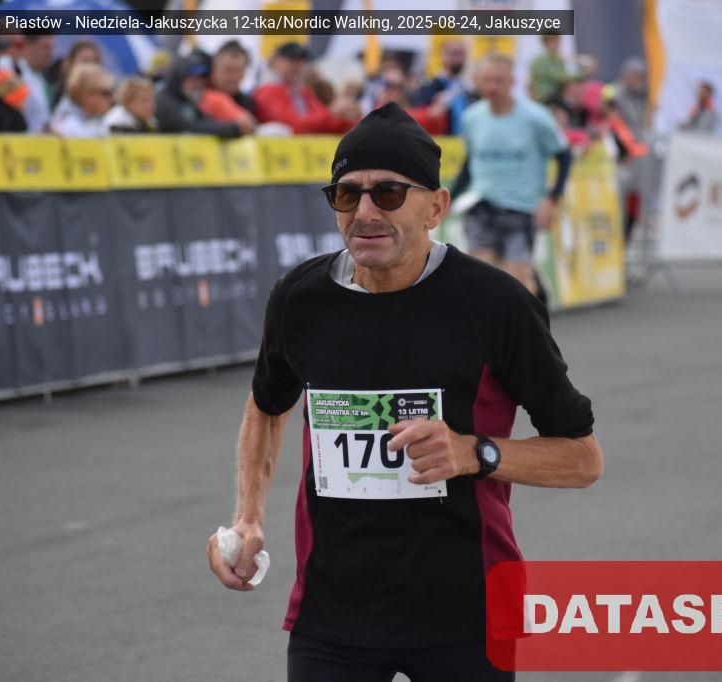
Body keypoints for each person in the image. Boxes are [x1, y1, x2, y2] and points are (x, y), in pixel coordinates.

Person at [206, 102, 602, 682]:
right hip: (332, 614)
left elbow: (583, 459)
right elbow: (267, 405)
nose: (365, 212)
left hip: (467, 611)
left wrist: (473, 452)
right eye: (347, 194)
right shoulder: (300, 298)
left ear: (436, 207)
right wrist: (247, 518)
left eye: (389, 193)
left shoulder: (496, 305)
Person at [451, 54, 572, 296]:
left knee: (517, 285)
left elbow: (564, 155)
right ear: (478, 81)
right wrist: (450, 196)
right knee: (480, 280)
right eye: (487, 81)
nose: (492, 87)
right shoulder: (472, 117)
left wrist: (552, 199)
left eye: (499, 81)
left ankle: (533, 309)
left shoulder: (536, 117)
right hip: (481, 206)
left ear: (512, 82)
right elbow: (470, 162)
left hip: (521, 209)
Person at [253, 42, 360, 134]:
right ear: (275, 61)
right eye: (292, 59)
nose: (298, 65)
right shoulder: (267, 90)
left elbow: (323, 123)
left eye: (302, 60)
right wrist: (333, 113)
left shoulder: (303, 92)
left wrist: (347, 118)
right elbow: (292, 126)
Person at [155, 53, 249, 138]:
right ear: (179, 78)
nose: (198, 83)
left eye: (201, 79)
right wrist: (233, 129)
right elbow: (188, 127)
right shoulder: (163, 101)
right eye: (193, 79)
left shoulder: (187, 102)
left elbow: (205, 121)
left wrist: (235, 127)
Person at [0, 33, 56, 133]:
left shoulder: (41, 79)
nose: (50, 53)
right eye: (45, 47)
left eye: (52, 48)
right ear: (28, 45)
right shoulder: (9, 67)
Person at [412, 38, 470, 134]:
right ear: (443, 56)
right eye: (453, 53)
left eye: (460, 54)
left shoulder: (468, 89)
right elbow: (422, 118)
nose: (456, 59)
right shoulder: (429, 87)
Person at [49, 63, 114, 138]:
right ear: (86, 95)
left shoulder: (100, 124)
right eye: (105, 93)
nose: (110, 98)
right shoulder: (67, 127)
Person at [528, 33, 568, 105]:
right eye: (552, 41)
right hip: (545, 100)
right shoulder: (541, 61)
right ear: (545, 43)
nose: (556, 44)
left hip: (558, 98)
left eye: (557, 41)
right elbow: (560, 77)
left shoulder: (559, 60)